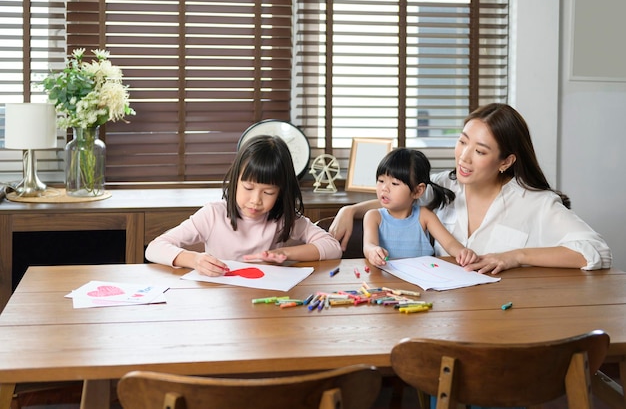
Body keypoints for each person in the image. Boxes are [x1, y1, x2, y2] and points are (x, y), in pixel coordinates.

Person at [331, 103, 612, 274]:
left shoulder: (536, 203)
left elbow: (596, 251)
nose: (463, 157)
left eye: (479, 151)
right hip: (443, 310)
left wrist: (516, 256)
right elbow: (400, 199)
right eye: (462, 142)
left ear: (506, 161)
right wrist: (352, 209)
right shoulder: (443, 186)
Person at [145, 134, 342, 276]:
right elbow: (154, 248)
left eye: (268, 192)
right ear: (235, 181)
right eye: (248, 188)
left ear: (281, 192)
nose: (256, 200)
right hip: (219, 303)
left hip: (264, 300)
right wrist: (195, 260)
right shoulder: (213, 214)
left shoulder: (282, 218)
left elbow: (333, 247)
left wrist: (283, 254)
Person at [363, 147, 478, 267]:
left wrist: (462, 252)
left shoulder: (425, 216)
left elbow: (449, 243)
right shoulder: (373, 217)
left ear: (418, 191)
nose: (384, 188)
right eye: (381, 181)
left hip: (423, 280)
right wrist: (373, 251)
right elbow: (369, 245)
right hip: (387, 280)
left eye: (395, 183)